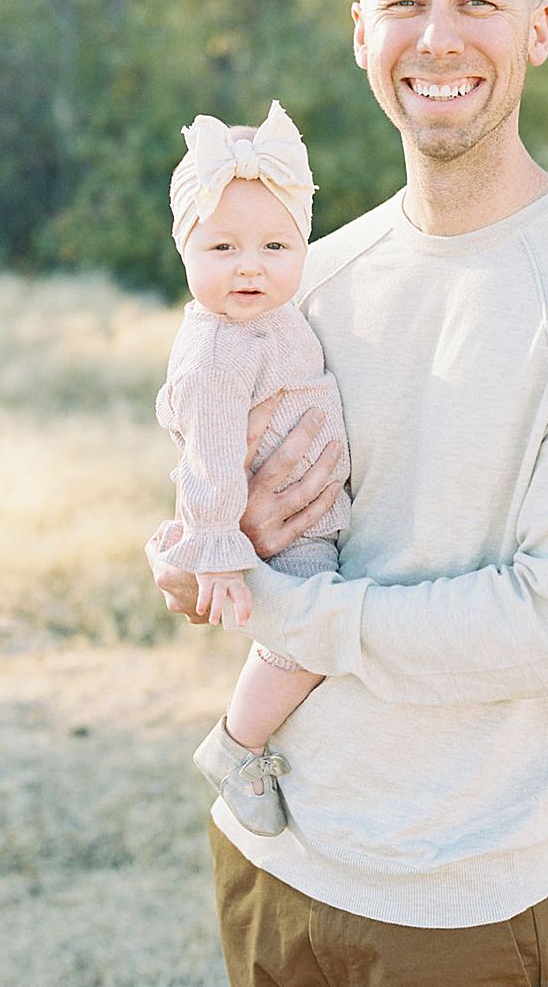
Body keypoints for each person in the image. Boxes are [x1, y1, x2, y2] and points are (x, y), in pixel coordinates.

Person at [149, 0, 548, 985]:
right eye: (404, 1)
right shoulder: (306, 276)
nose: (437, 36)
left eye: (479, 0)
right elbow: (217, 507)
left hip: (453, 908)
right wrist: (214, 556)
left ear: (537, 28)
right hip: (268, 858)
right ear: (361, 35)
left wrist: (287, 603)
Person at [152, 100, 350, 838]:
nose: (250, 267)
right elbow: (205, 465)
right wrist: (220, 556)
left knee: (314, 632)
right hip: (286, 528)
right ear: (185, 250)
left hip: (318, 513)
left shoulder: (276, 315)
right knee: (309, 637)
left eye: (274, 246)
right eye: (223, 249)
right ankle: (239, 743)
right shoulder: (216, 350)